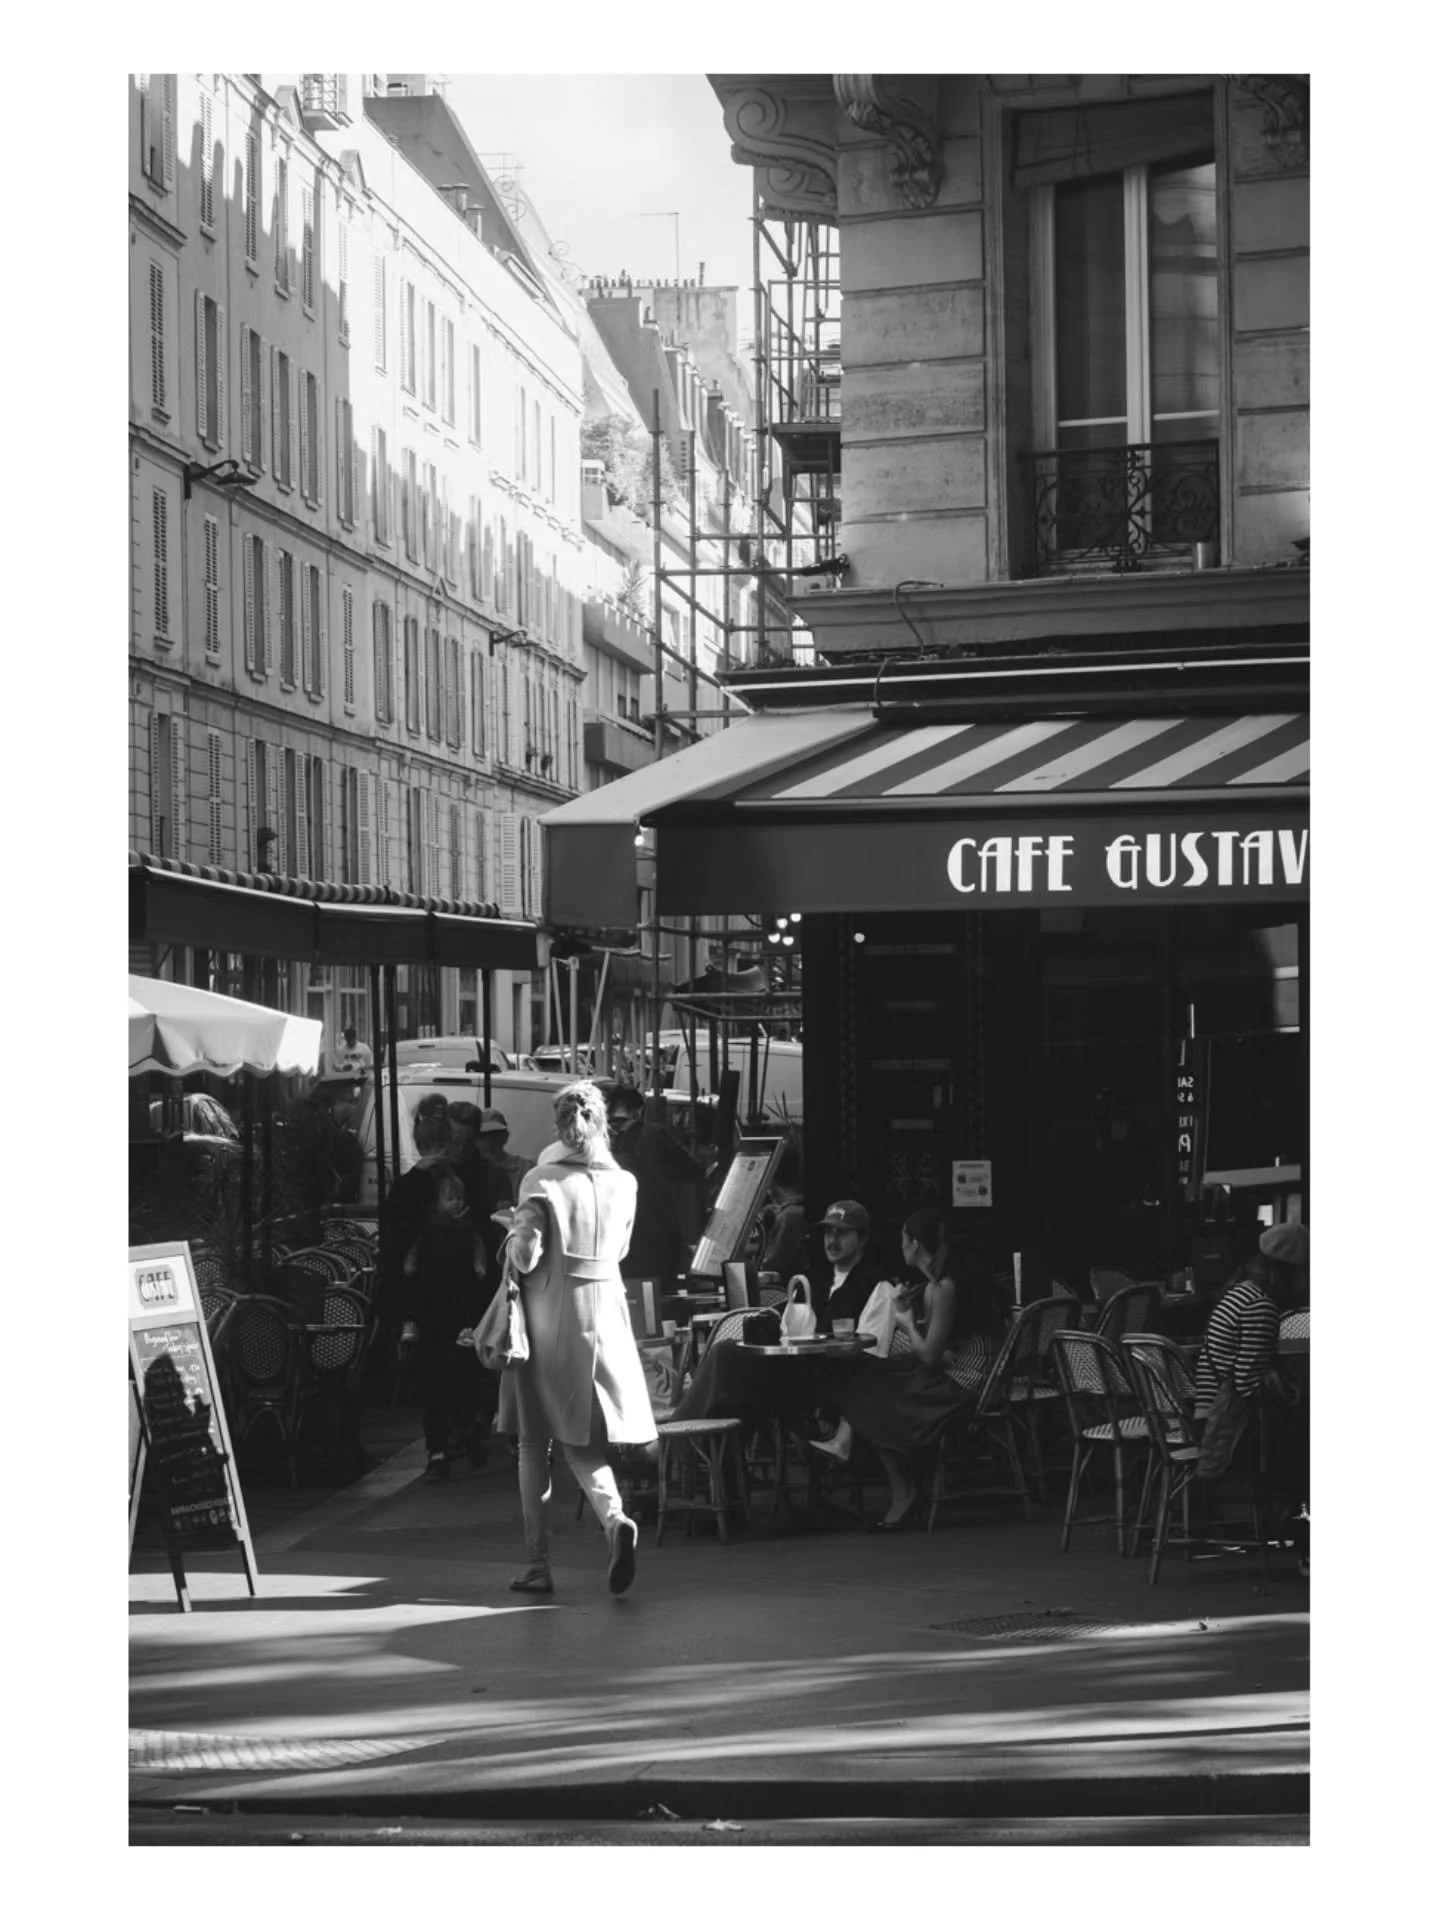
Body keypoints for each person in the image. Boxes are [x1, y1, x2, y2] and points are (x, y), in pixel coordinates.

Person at [497, 1080, 656, 1598]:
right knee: (582, 1441)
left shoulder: (539, 1180)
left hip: (550, 1317)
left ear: (557, 1125)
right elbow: (624, 1248)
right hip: (607, 1314)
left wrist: (509, 1228)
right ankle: (613, 1521)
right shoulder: (625, 1182)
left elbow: (525, 1257)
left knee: (532, 1443)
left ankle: (538, 1563)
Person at [809, 1209, 1006, 1529]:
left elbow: (929, 1354)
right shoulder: (942, 1282)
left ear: (915, 1244)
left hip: (965, 1388)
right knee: (870, 1383)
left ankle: (904, 1489)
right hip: (966, 1373)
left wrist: (903, 1320)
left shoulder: (941, 1287)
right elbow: (942, 1347)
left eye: (903, 1240)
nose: (900, 1247)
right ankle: (893, 1479)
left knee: (869, 1395)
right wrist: (910, 1313)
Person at [395, 1158, 489, 1483]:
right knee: (457, 1381)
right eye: (451, 1198)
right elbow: (478, 1276)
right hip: (452, 1316)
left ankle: (441, 1448)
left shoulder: (429, 1233)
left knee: (438, 1385)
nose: (457, 1203)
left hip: (436, 1316)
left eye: (459, 1198)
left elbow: (411, 1274)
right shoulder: (466, 1234)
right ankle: (461, 1433)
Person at [1193, 1221, 1309, 1480]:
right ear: (1293, 1272)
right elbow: (1246, 1385)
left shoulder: (1240, 1293)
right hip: (1226, 1424)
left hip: (1205, 1413)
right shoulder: (1261, 1307)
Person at [607, 1084, 705, 1284]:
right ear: (639, 1110)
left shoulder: (605, 1141)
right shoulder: (655, 1134)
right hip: (659, 1234)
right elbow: (691, 1170)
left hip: (621, 1236)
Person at [805, 1199, 888, 1332]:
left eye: (841, 1232)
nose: (832, 1240)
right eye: (828, 1232)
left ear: (863, 1239)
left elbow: (870, 1349)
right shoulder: (809, 1282)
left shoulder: (878, 1287)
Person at [474, 1107, 535, 1204]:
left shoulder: (527, 1168)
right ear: (475, 1139)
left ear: (505, 1136)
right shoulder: (469, 1171)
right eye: (484, 1135)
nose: (489, 1140)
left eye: (495, 1134)